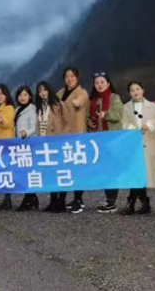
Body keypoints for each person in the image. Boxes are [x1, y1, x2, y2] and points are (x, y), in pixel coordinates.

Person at [120, 81, 155, 215]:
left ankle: (133, 203)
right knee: (136, 174)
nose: (135, 92)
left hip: (149, 145)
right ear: (129, 93)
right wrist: (131, 129)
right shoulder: (125, 108)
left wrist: (150, 125)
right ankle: (142, 203)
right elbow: (122, 122)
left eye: (137, 89)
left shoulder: (153, 107)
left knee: (140, 175)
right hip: (133, 146)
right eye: (132, 90)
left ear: (143, 90)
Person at [89, 72, 124, 213]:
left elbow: (118, 115)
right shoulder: (93, 100)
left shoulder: (115, 98)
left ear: (108, 84)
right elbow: (90, 117)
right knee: (103, 170)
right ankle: (108, 199)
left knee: (111, 170)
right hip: (99, 140)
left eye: (102, 82)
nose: (99, 85)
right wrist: (90, 122)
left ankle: (112, 201)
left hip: (112, 140)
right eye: (96, 83)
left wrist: (106, 114)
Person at [57, 67, 89, 214]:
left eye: (72, 76)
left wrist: (77, 102)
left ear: (77, 77)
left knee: (78, 168)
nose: (69, 79)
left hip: (77, 136)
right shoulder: (60, 93)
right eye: (67, 76)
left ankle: (78, 199)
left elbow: (81, 100)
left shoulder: (81, 92)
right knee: (65, 168)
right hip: (63, 136)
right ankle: (62, 199)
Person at [35, 81, 66, 212]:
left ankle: (61, 201)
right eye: (40, 91)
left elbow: (65, 123)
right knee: (51, 173)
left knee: (61, 172)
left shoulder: (58, 105)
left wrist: (62, 139)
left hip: (56, 142)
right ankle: (53, 201)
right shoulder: (39, 107)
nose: (43, 93)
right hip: (44, 143)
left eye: (45, 90)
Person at [14, 85, 39, 212]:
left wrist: (25, 133)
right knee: (23, 171)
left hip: (29, 144)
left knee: (29, 171)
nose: (22, 97)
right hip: (20, 145)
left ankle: (28, 199)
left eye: (25, 95)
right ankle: (33, 198)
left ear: (30, 96)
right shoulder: (17, 109)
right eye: (20, 95)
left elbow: (33, 128)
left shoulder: (32, 109)